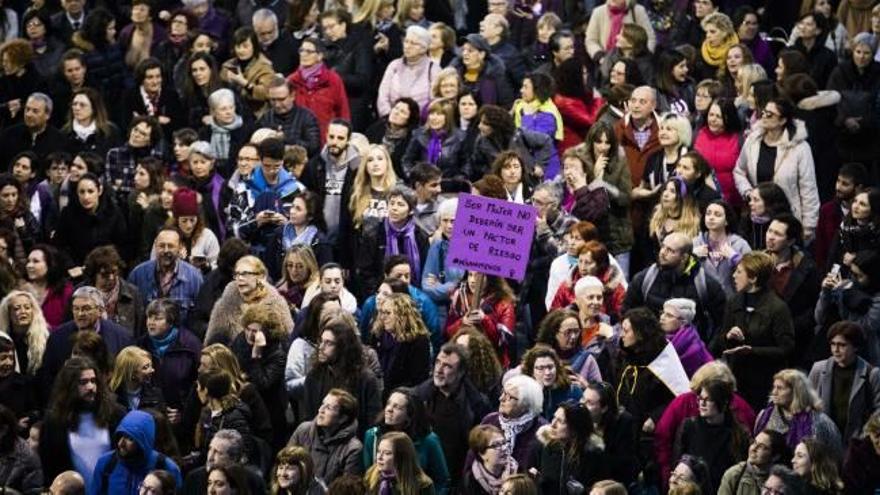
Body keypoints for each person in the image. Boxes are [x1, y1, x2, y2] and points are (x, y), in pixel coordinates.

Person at [710, 251, 795, 410]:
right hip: (737, 380)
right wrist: (728, 337)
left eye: (739, 272)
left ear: (753, 278)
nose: (734, 275)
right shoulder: (734, 301)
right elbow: (720, 341)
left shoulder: (777, 308)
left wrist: (752, 351)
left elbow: (786, 348)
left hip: (765, 383)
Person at [734, 97, 819, 241]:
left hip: (787, 216)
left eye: (770, 114)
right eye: (764, 112)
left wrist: (809, 225)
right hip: (758, 216)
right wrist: (749, 193)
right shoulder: (752, 141)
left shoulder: (799, 147)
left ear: (783, 120)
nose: (764, 117)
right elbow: (739, 171)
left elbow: (808, 188)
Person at [413, 343, 491, 487]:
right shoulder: (418, 397)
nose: (438, 370)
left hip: (459, 477)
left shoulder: (477, 404)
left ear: (461, 373)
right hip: (425, 476)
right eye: (437, 362)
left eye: (447, 366)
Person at [39, 356, 126, 485]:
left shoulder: (115, 414)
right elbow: (49, 466)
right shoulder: (54, 421)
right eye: (83, 382)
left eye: (93, 381)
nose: (91, 387)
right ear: (70, 386)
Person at [624, 232, 727, 340]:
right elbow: (627, 312)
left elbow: (722, 323)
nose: (662, 253)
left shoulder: (705, 284)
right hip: (650, 349)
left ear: (684, 257)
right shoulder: (644, 279)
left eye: (670, 250)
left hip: (690, 351)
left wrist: (708, 351)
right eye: (663, 247)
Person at [39, 286, 134, 390]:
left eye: (86, 308)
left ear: (100, 310)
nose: (80, 314)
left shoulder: (122, 337)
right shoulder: (57, 337)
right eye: (76, 308)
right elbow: (47, 377)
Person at [300, 321, 382, 437]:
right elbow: (308, 417)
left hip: (354, 444)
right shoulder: (314, 376)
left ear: (343, 347)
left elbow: (372, 423)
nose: (321, 347)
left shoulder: (366, 379)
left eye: (329, 343)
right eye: (321, 341)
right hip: (320, 442)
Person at [363, 388, 449, 493]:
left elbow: (442, 481)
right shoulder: (372, 436)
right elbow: (367, 475)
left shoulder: (429, 440)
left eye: (397, 407)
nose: (389, 409)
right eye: (388, 404)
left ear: (410, 414)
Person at [809, 321, 880, 440]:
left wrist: (866, 436)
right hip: (823, 439)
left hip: (856, 442)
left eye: (842, 345)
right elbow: (807, 403)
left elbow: (878, 411)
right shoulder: (819, 369)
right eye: (833, 344)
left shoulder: (871, 374)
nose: (836, 349)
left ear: (855, 347)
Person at [230, 303, 289, 448]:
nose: (250, 335)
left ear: (267, 332)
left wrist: (256, 355)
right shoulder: (241, 340)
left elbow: (263, 384)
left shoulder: (278, 353)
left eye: (256, 331)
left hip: (270, 412)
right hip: (246, 408)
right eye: (248, 329)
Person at [674, 379, 750, 489]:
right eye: (700, 399)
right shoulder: (689, 426)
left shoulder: (738, 433)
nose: (702, 403)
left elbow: (739, 470)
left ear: (723, 402)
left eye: (708, 399)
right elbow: (678, 462)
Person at [204, 255, 293, 346]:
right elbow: (211, 342)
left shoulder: (276, 303)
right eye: (237, 274)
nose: (240, 278)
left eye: (245, 274)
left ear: (261, 277)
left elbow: (288, 339)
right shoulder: (226, 303)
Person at [89, 409, 182, 495]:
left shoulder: (167, 468)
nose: (121, 443)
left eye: (129, 439)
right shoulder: (106, 463)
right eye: (120, 436)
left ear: (143, 441)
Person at [127, 227, 204, 329]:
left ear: (180, 247)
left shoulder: (194, 278)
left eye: (171, 246)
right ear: (155, 245)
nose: (166, 250)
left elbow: (199, 318)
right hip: (146, 340)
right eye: (162, 246)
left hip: (181, 341)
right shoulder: (138, 274)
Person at [754, 369, 844, 457]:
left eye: (780, 388)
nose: (774, 392)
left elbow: (833, 455)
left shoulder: (819, 422)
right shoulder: (764, 416)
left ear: (796, 392)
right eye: (774, 387)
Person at [299, 119, 359, 245]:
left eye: (340, 138)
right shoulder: (313, 166)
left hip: (348, 237)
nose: (335, 142)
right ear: (326, 136)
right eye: (331, 137)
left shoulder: (357, 168)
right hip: (318, 234)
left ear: (348, 140)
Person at [288, 388, 364, 484]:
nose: (320, 410)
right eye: (322, 404)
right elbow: (285, 464)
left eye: (328, 408)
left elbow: (346, 489)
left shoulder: (353, 448)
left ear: (342, 418)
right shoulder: (303, 430)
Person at [52, 172, 127, 265]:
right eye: (82, 192)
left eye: (90, 191)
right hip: (75, 268)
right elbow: (59, 246)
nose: (86, 197)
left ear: (99, 191)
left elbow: (122, 246)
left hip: (105, 267)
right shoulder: (68, 213)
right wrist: (70, 265)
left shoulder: (113, 213)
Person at [446, 272, 516, 368]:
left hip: (494, 363)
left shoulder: (504, 303)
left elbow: (505, 341)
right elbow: (447, 332)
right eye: (470, 275)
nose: (473, 281)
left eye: (478, 276)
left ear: (490, 278)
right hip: (463, 361)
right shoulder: (459, 298)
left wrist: (484, 319)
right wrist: (462, 322)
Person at [693, 199, 752, 295]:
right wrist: (692, 255)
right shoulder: (696, 242)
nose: (711, 218)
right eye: (708, 214)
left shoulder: (740, 244)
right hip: (703, 299)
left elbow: (753, 271)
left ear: (726, 221)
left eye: (717, 215)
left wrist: (735, 258)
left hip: (733, 300)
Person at [401, 99, 466, 180]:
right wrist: (413, 178)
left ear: (448, 117)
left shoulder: (460, 137)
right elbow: (407, 161)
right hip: (424, 185)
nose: (434, 118)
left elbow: (466, 164)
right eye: (431, 113)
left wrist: (459, 180)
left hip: (450, 186)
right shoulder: (419, 134)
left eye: (439, 114)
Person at [449, 34, 513, 108]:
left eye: (470, 50)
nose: (465, 53)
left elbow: (506, 103)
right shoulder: (454, 72)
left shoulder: (495, 74)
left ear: (482, 54)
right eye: (463, 50)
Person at [584, 0, 656, 64]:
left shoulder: (638, 11)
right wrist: (601, 58)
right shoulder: (598, 12)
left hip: (634, 62)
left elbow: (650, 38)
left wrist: (642, 59)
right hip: (606, 62)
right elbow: (591, 41)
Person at [659, 299, 714, 377]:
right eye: (662, 313)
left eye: (669, 315)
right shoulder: (657, 338)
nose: (662, 317)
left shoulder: (694, 348)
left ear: (683, 322)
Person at [0, 289, 49, 376]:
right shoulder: (3, 339)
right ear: (8, 313)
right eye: (17, 308)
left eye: (27, 307)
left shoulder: (47, 337)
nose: (23, 312)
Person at [24, 244, 72, 329]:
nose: (29, 265)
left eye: (36, 261)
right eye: (28, 261)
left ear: (50, 264)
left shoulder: (65, 291)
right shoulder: (22, 291)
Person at [460, 424, 518, 494]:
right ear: (482, 454)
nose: (504, 448)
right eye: (496, 445)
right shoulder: (470, 481)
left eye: (504, 443)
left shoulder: (518, 472)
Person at [109, 346, 164, 412]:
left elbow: (162, 421)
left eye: (151, 365)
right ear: (131, 373)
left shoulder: (156, 395)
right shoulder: (110, 396)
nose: (152, 370)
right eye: (145, 367)